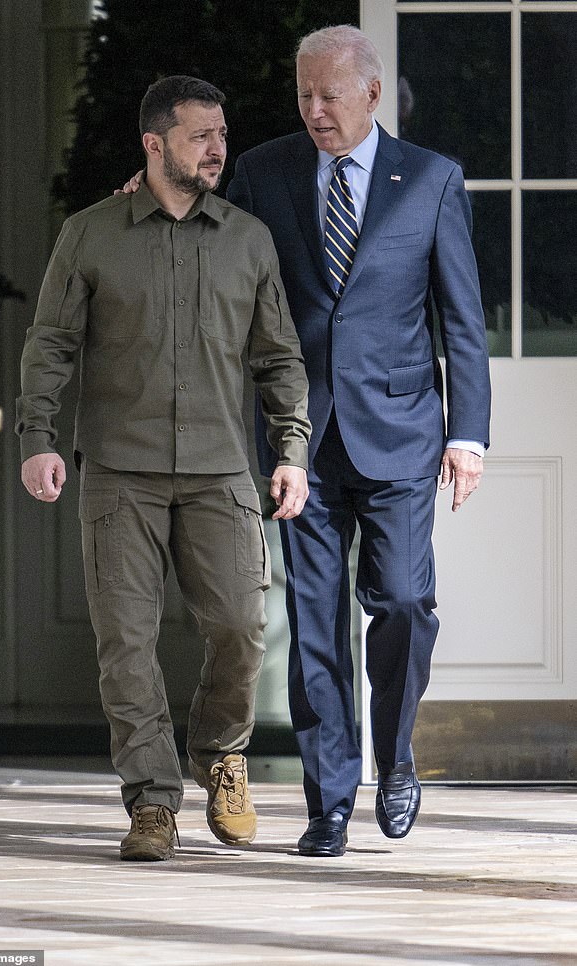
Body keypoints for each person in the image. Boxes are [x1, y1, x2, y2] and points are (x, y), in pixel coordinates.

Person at [121, 25, 491, 857]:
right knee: (315, 622)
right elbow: (211, 244)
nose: (314, 111)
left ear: (371, 92)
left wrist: (468, 435)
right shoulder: (267, 171)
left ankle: (395, 761)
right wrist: (144, 197)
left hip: (400, 434)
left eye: (329, 96)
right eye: (303, 96)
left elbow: (462, 321)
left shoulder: (431, 180)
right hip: (299, 440)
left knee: (400, 602)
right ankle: (328, 803)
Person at [16, 75, 311, 862]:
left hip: (221, 470)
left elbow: (278, 356)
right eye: (198, 135)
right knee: (127, 644)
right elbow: (51, 343)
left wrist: (291, 449)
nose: (218, 148)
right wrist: (38, 435)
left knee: (241, 626)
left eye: (222, 132)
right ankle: (150, 803)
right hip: (121, 471)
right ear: (154, 144)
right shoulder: (91, 233)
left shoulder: (247, 238)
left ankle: (221, 757)